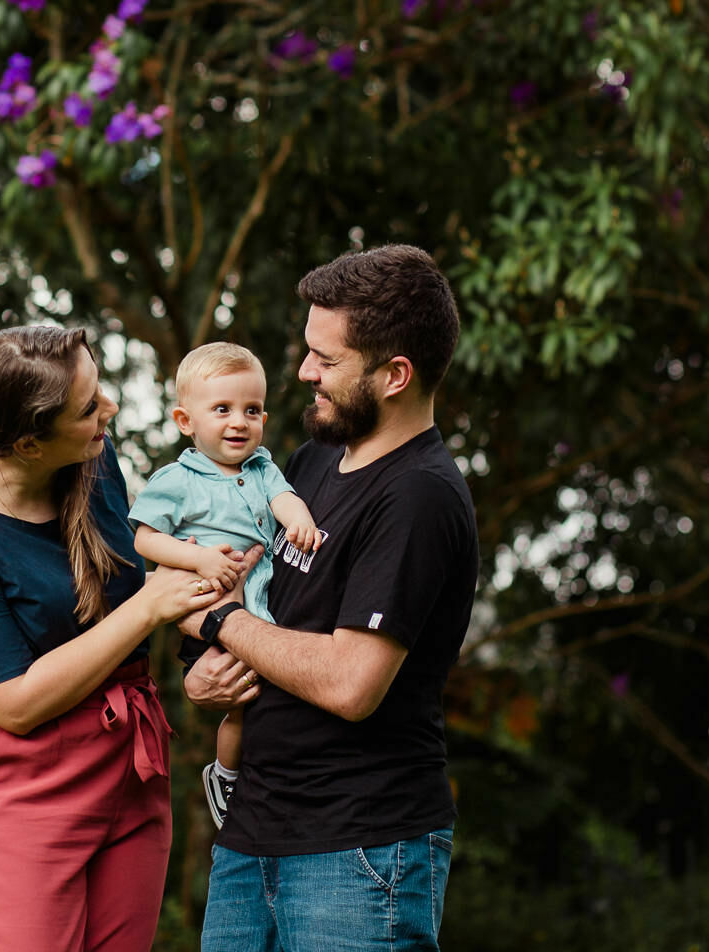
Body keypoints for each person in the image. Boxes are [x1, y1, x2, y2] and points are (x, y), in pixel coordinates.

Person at [180, 244, 481, 951]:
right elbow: (248, 591)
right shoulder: (312, 460)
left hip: (360, 852)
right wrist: (202, 665)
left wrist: (223, 623)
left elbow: (351, 682)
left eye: (327, 358)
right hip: (252, 838)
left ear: (395, 374)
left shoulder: (419, 496)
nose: (304, 371)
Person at [0, 324, 221, 952]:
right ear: (29, 443)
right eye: (88, 408)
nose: (109, 410)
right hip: (13, 782)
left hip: (125, 757)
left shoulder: (90, 454)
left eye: (98, 390)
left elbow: (135, 578)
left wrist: (208, 646)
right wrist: (149, 610)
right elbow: (13, 703)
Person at [128, 341, 324, 828]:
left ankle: (260, 775)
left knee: (271, 699)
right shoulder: (177, 479)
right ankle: (227, 774)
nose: (239, 422)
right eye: (223, 409)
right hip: (209, 609)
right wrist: (196, 557)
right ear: (185, 421)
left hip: (261, 608)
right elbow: (147, 541)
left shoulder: (262, 469)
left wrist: (299, 520)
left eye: (251, 410)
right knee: (239, 703)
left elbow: (284, 499)